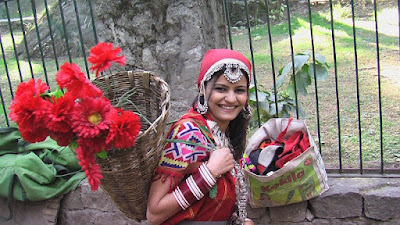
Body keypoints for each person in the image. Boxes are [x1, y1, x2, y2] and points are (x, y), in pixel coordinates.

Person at [146, 49, 254, 225]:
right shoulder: (187, 133)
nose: (231, 98)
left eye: (239, 90)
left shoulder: (222, 132)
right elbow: (154, 213)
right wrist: (209, 172)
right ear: (203, 89)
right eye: (221, 89)